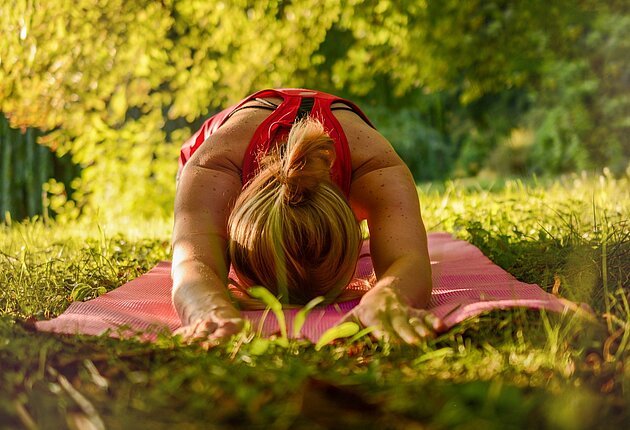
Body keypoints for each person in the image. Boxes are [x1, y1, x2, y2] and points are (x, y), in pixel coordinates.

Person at [171, 88, 444, 346]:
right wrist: (207, 308)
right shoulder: (214, 166)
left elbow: (409, 260)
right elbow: (191, 261)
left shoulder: (375, 167)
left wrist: (390, 296)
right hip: (225, 140)